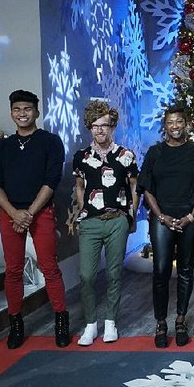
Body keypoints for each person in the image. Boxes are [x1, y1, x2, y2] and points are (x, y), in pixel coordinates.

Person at [0, 90, 69, 349]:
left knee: (49, 267)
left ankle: (61, 320)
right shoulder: (3, 146)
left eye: (27, 109)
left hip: (40, 211)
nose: (22, 114)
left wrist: (30, 213)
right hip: (11, 213)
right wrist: (14, 213)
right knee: (13, 270)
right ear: (12, 113)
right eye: (17, 109)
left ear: (37, 112)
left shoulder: (50, 142)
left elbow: (51, 180)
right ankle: (16, 323)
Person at [138, 105, 194, 348]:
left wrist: (191, 216)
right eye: (170, 122)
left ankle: (180, 319)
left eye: (179, 121)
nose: (175, 126)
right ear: (165, 126)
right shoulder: (155, 152)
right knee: (160, 270)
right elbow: (147, 188)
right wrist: (161, 217)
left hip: (190, 217)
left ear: (186, 123)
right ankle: (160, 322)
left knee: (186, 269)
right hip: (162, 218)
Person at [72, 100, 139, 346]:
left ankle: (110, 321)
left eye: (105, 125)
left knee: (113, 273)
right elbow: (79, 187)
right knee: (87, 275)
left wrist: (130, 216)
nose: (100, 130)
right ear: (89, 127)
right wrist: (81, 213)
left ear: (112, 127)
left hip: (117, 221)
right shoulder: (81, 157)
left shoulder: (125, 155)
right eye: (95, 126)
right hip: (90, 221)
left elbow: (134, 187)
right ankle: (91, 325)